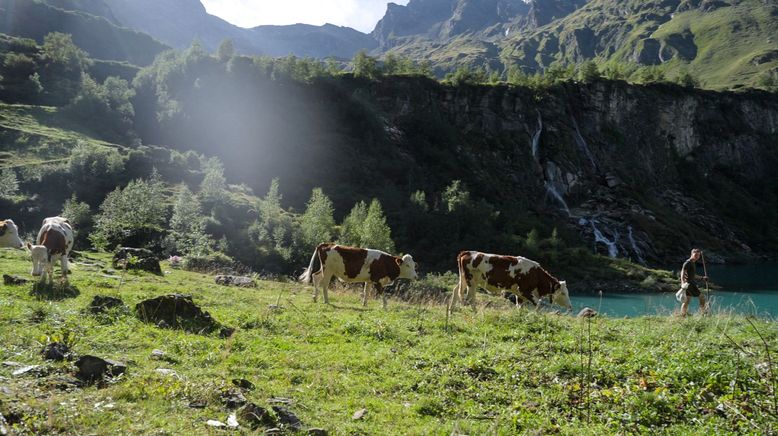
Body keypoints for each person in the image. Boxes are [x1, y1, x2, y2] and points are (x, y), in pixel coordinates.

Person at [679, 248, 708, 316]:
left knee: (686, 301)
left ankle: (683, 315)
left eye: (698, 255)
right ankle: (703, 313)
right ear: (692, 254)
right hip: (689, 284)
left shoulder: (692, 263)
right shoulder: (688, 262)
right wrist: (683, 283)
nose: (697, 257)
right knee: (702, 297)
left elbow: (693, 275)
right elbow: (682, 272)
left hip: (690, 283)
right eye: (695, 255)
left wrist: (702, 278)